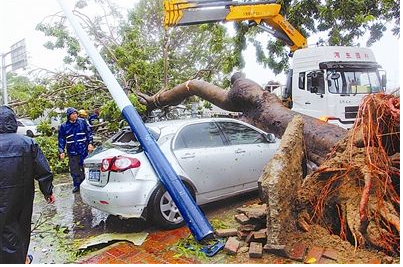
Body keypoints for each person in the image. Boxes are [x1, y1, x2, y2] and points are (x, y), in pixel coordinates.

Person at [0, 106, 55, 264]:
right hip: (21, 197)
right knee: (21, 228)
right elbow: (43, 171)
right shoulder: (27, 143)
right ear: (13, 122)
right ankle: (21, 259)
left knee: (4, 229)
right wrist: (48, 191)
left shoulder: (28, 143)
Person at [58, 107, 94, 193]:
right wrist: (61, 151)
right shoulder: (64, 126)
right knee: (74, 169)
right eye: (72, 114)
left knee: (85, 167)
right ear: (68, 116)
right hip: (72, 151)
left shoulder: (82, 122)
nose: (75, 115)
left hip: (83, 149)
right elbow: (61, 139)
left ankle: (87, 184)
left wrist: (90, 143)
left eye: (75, 113)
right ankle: (77, 185)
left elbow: (89, 133)